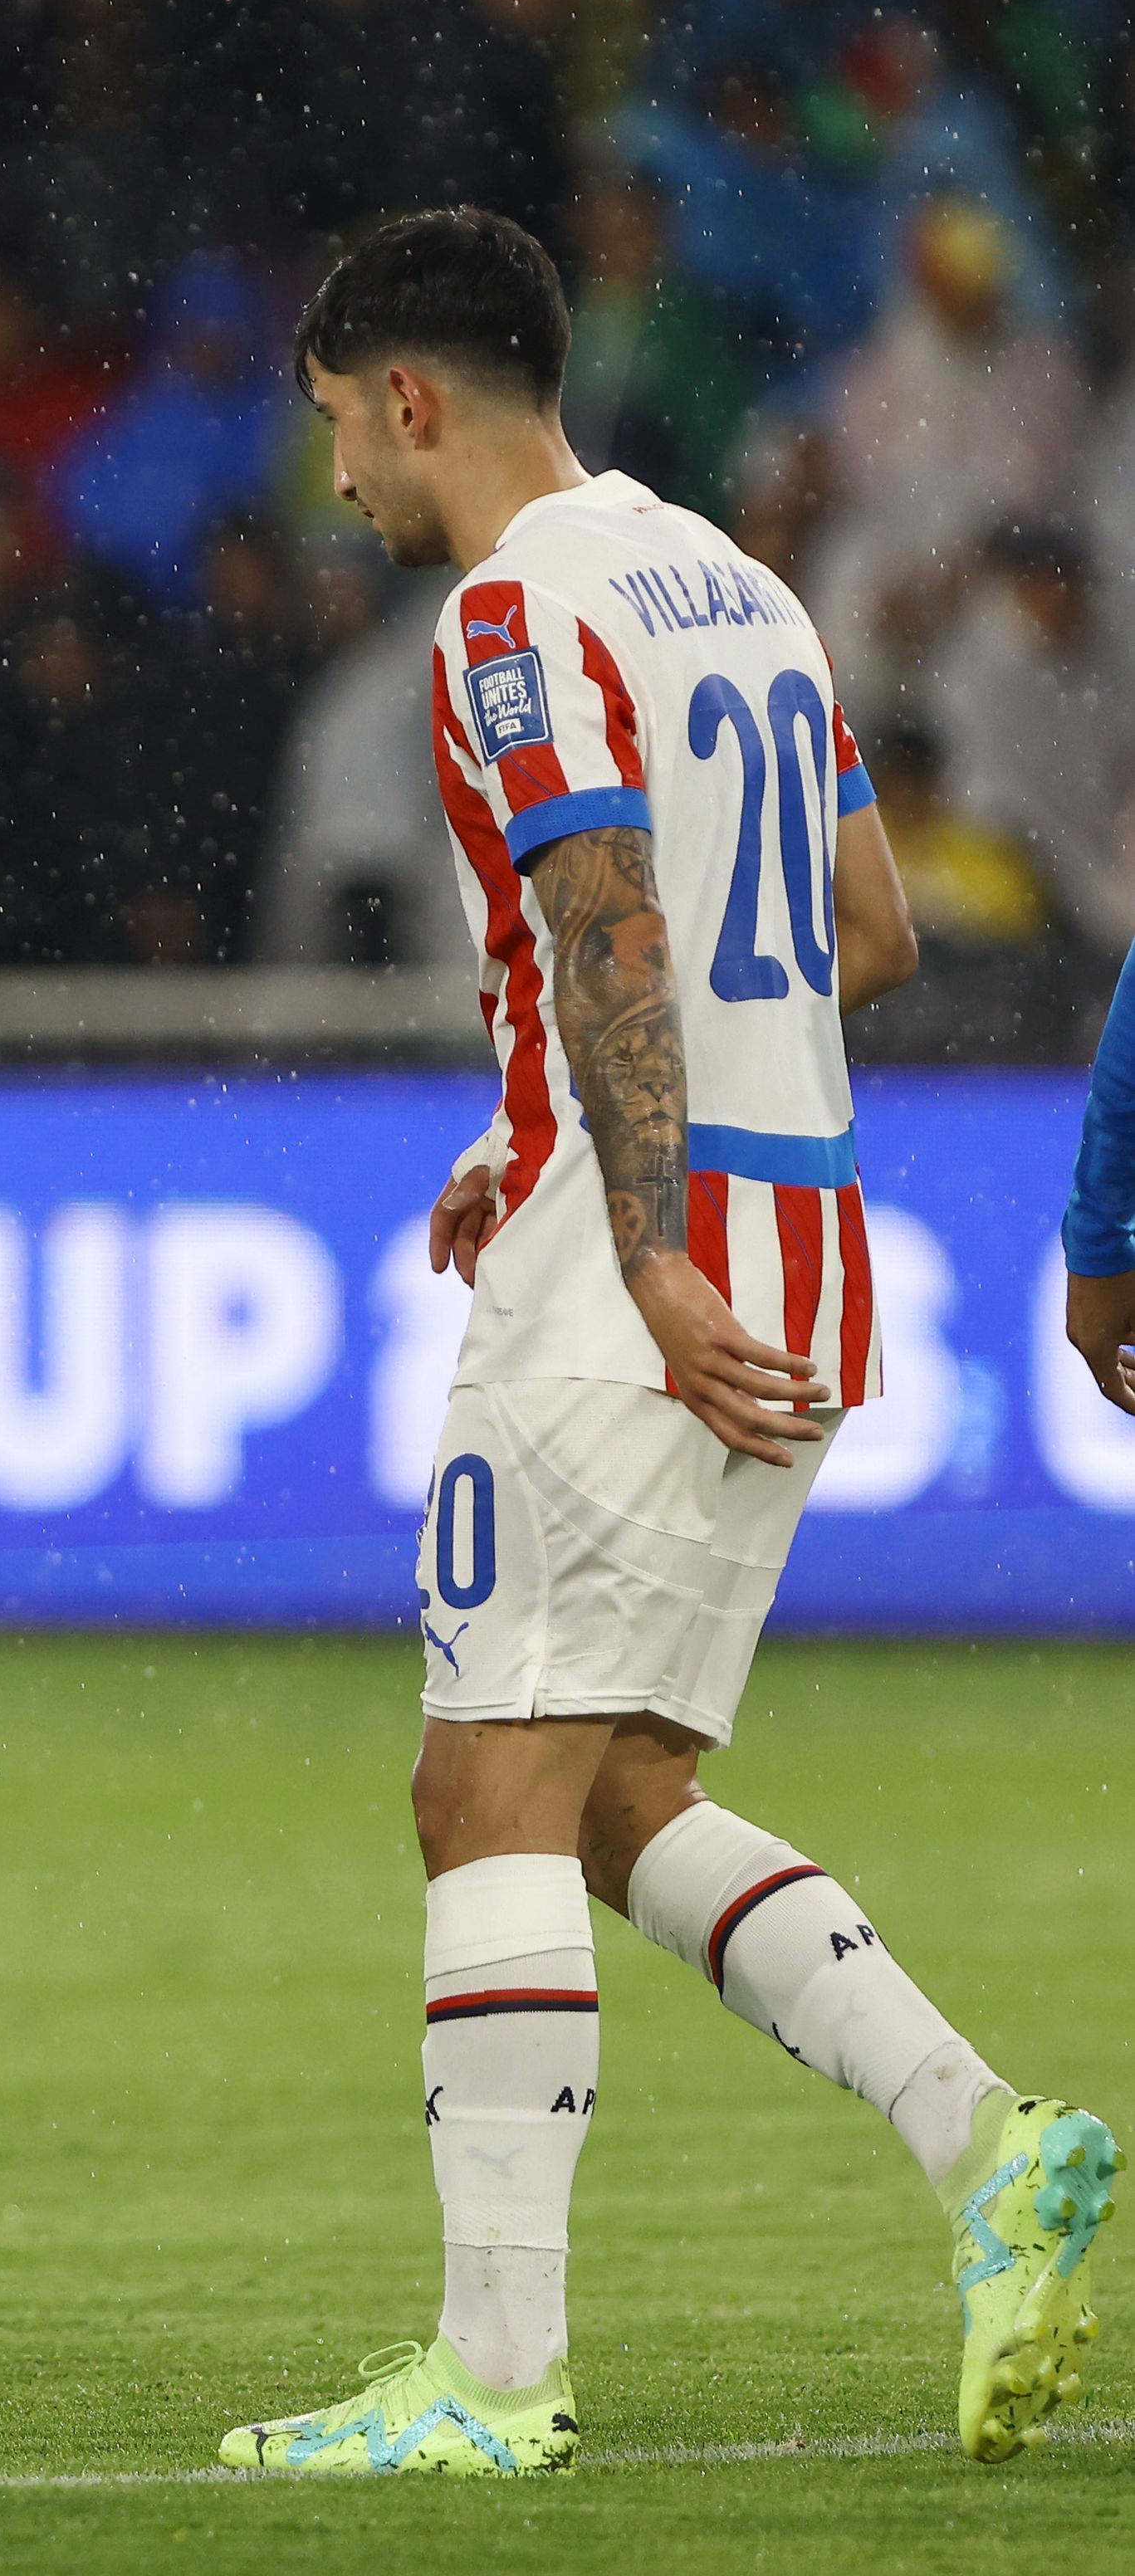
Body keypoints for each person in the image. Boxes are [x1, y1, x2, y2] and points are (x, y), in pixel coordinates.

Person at [237, 207, 1112, 2476]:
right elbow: (869, 931)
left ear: (409, 398)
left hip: (646, 1282)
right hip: (802, 1239)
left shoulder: (508, 615)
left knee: (480, 1789)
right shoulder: (738, 581)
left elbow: (609, 923)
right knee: (615, 1794)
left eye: (336, 422)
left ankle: (490, 2379)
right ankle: (987, 2148)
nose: (334, 473)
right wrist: (549, 1122)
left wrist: (623, 1232)